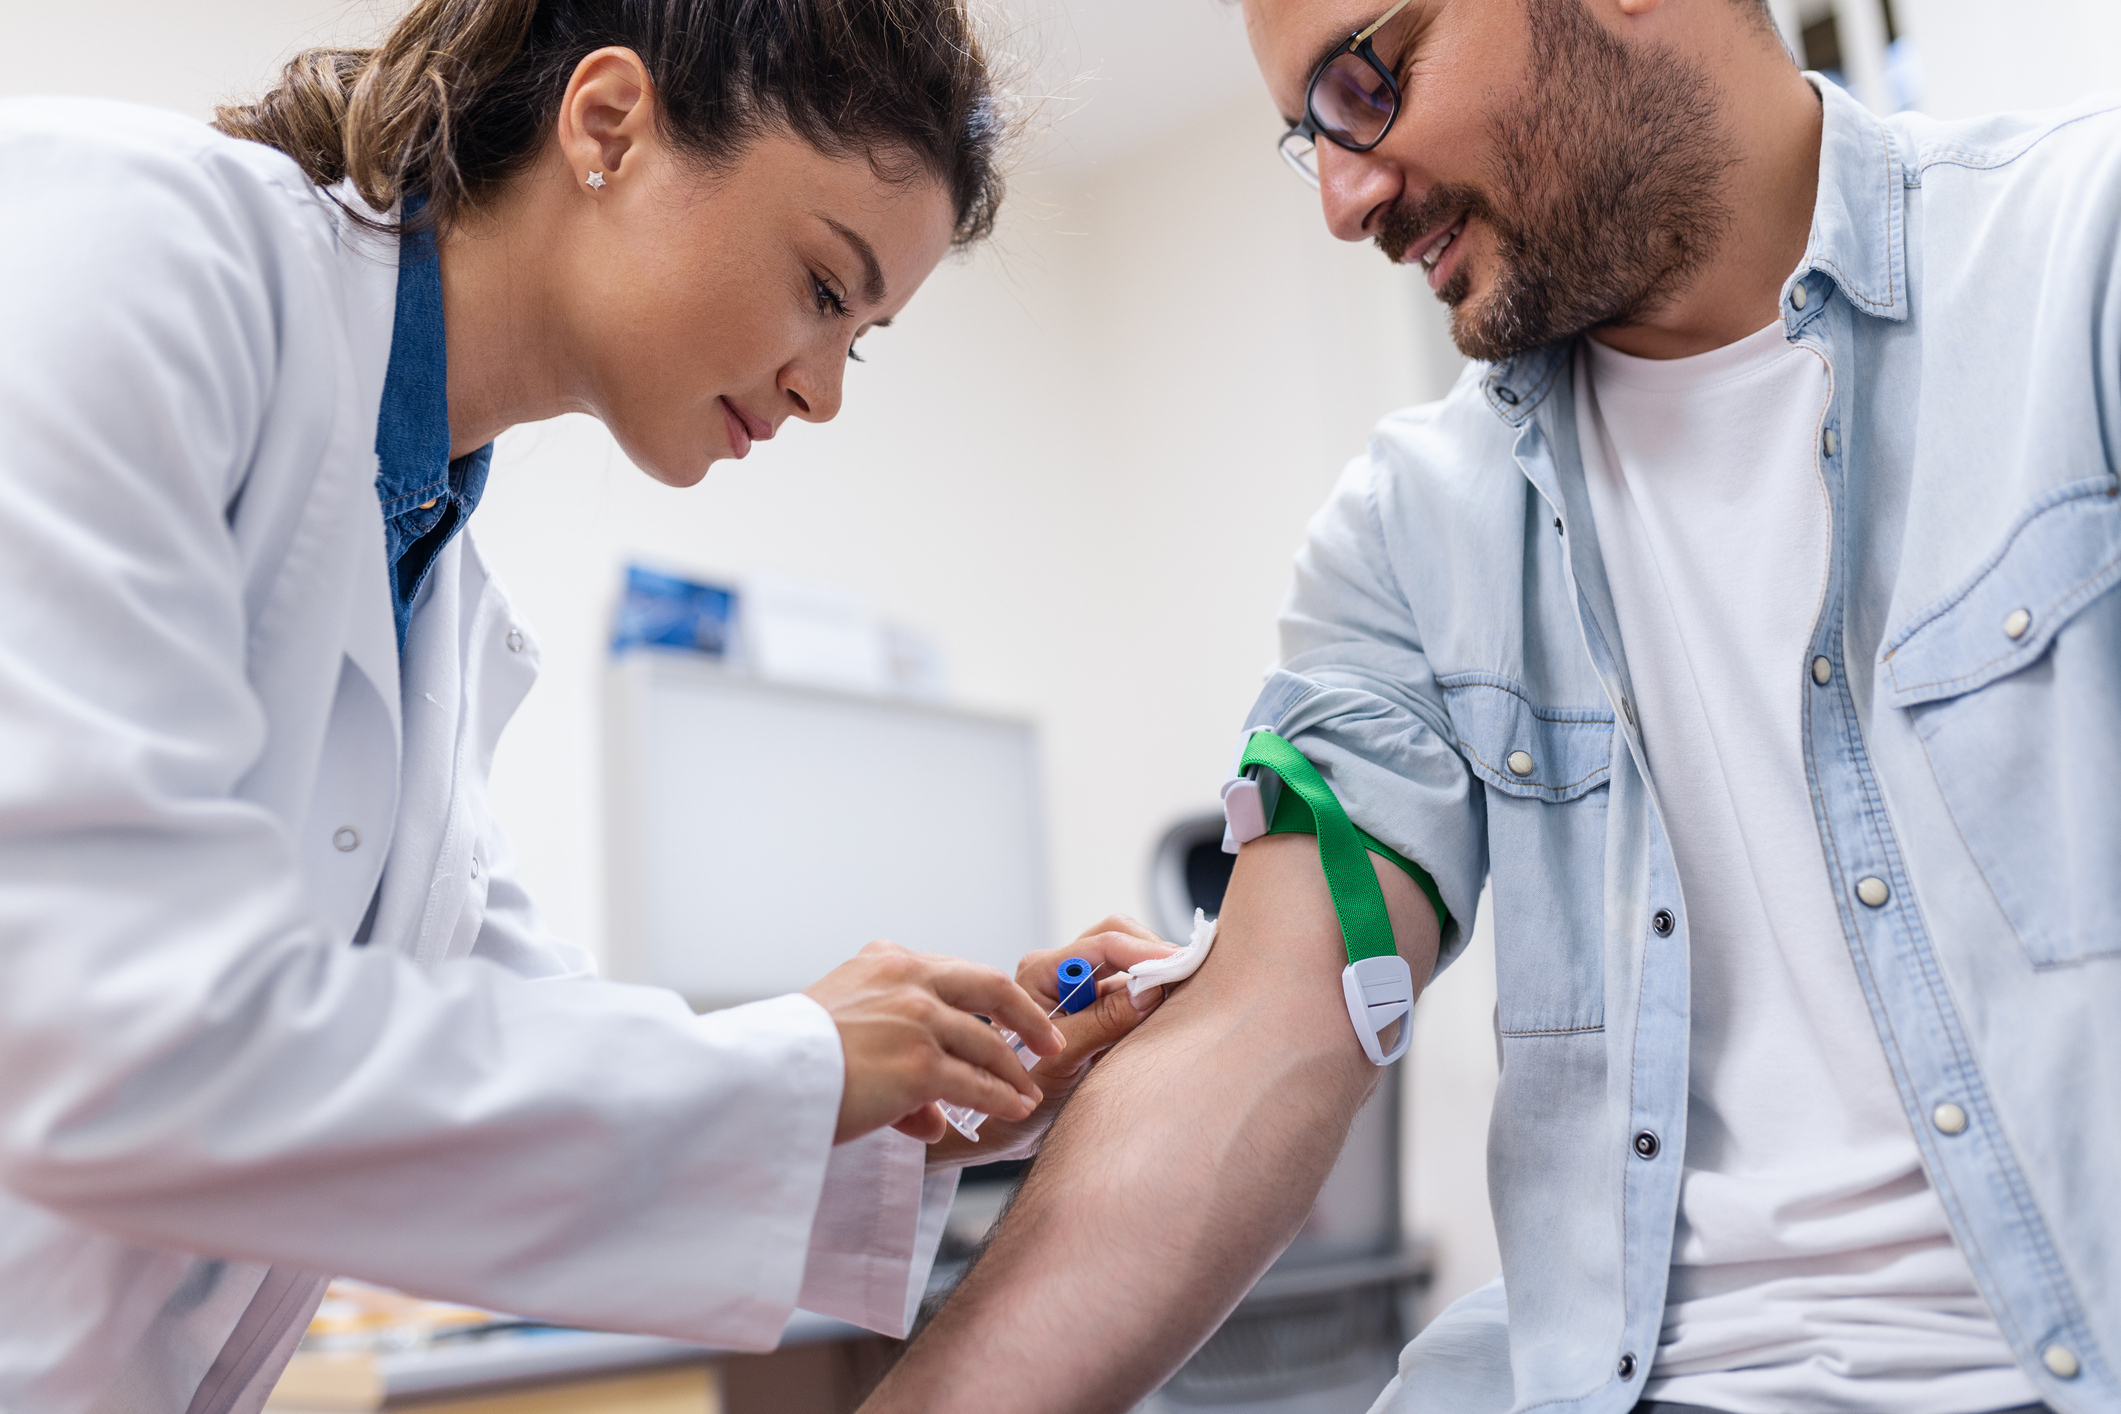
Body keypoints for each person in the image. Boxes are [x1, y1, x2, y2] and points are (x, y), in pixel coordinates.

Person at [862, 0, 2121, 1411]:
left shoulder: (2080, 263)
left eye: (1361, 83)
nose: (1342, 199)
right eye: (1308, 137)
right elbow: (1259, 1027)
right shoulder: (1408, 535)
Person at [0, 2, 1175, 1410]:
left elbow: (488, 1063)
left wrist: (929, 1094)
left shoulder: (428, 574)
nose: (820, 394)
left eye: (858, 342)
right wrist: (805, 1056)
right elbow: (120, 1040)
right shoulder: (132, 243)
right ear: (607, 124)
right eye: (820, 286)